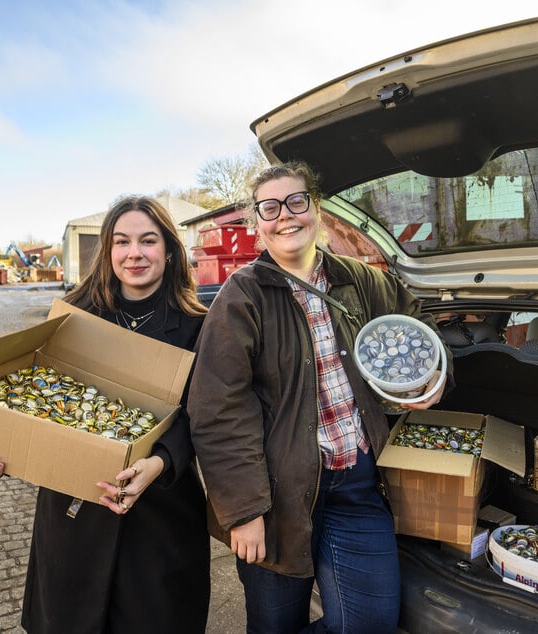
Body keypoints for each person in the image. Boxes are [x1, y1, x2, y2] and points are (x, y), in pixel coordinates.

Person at [188, 161, 452, 634]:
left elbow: (419, 332)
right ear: (256, 223)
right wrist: (245, 511)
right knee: (275, 626)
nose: (285, 215)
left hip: (356, 486)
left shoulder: (363, 280)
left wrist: (429, 379)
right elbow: (217, 410)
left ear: (316, 207)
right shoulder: (240, 297)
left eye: (296, 201)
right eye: (270, 207)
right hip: (277, 498)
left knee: (370, 624)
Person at [0, 195, 210, 633]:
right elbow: (45, 404)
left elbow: (207, 417)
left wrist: (159, 461)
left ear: (170, 250)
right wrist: (5, 447)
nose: (134, 253)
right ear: (108, 249)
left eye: (148, 240)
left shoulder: (200, 325)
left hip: (161, 515)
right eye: (121, 241)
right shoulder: (75, 315)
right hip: (75, 513)